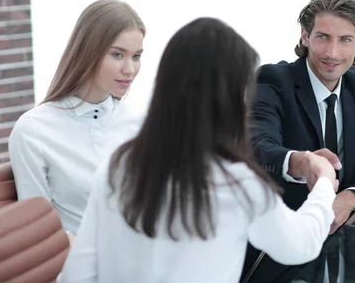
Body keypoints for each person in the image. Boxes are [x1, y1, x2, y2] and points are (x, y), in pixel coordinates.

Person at [58, 17, 337, 283]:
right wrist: (324, 182)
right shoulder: (238, 183)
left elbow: (77, 275)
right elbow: (301, 244)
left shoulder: (118, 166)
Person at [251, 0, 355, 233]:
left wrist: (349, 198)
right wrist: (303, 162)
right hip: (284, 234)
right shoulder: (273, 80)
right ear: (305, 36)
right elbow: (257, 147)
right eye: (323, 37)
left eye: (345, 40)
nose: (332, 53)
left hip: (345, 236)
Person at [8, 0, 145, 235]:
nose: (129, 69)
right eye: (117, 55)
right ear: (88, 51)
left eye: (136, 56)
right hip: (76, 266)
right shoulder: (33, 130)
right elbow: (38, 232)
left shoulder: (139, 122)